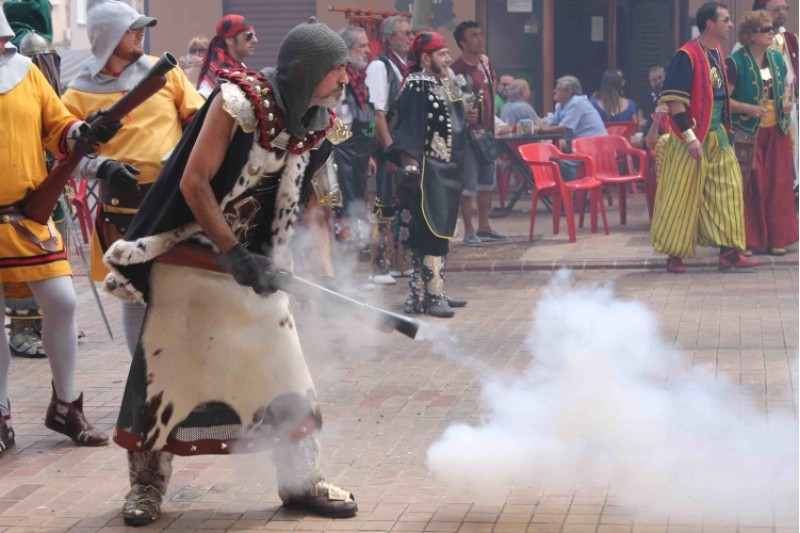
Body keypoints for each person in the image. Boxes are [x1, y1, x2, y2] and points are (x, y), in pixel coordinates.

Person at [102, 17, 358, 525]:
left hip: (257, 266)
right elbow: (194, 184)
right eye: (337, 70)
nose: (345, 79)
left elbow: (310, 209)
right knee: (164, 377)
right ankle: (146, 487)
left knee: (287, 371)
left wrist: (318, 274)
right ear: (304, 71)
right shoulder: (237, 101)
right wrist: (231, 252)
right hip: (188, 256)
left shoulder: (320, 124)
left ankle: (301, 481)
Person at [0, 7, 121, 455]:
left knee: (62, 301)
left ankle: (66, 406)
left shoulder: (26, 74)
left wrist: (82, 133)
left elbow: (60, 126)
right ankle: (0, 416)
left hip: (28, 219)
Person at [62, 0, 204, 358]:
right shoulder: (77, 93)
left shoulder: (164, 73)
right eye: (131, 29)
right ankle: (140, 385)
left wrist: (181, 159)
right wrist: (102, 167)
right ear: (108, 37)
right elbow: (64, 156)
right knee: (132, 293)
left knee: (184, 287)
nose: (141, 32)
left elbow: (201, 123)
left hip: (173, 199)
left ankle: (181, 377)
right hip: (120, 206)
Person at [650, 2, 759, 273]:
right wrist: (690, 139)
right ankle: (675, 255)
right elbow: (675, 103)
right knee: (681, 195)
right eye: (725, 20)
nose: (730, 24)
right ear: (710, 24)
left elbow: (719, 97)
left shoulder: (717, 51)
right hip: (690, 137)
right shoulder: (686, 55)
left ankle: (729, 252)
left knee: (730, 189)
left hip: (717, 135)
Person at [387, 32, 468, 318]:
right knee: (429, 230)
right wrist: (410, 165)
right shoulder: (417, 84)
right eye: (442, 54)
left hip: (449, 169)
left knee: (441, 229)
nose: (448, 59)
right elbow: (408, 127)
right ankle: (431, 295)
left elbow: (462, 113)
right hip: (429, 169)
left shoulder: (443, 81)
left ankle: (436, 290)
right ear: (425, 58)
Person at [2, 0, 62, 359]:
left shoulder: (28, 59)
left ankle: (40, 321)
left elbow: (52, 101)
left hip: (42, 160)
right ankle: (25, 325)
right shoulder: (32, 46)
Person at [727, 10, 798, 256]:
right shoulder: (735, 61)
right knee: (750, 185)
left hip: (776, 129)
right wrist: (747, 108)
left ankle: (777, 237)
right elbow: (724, 99)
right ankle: (748, 239)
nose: (772, 33)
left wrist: (786, 103)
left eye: (771, 29)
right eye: (766, 30)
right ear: (751, 35)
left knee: (778, 184)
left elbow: (785, 88)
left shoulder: (776, 59)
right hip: (748, 132)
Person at [364, 15, 413, 284]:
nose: (409, 37)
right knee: (381, 207)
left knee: (402, 207)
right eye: (405, 33)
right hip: (388, 149)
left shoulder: (407, 67)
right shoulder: (379, 67)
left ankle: (399, 260)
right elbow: (377, 113)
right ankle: (378, 265)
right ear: (390, 37)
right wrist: (389, 150)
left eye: (410, 32)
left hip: (404, 148)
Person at [451, 20, 506, 247]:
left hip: (487, 132)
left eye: (481, 34)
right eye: (474, 35)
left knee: (487, 180)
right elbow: (454, 102)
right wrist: (465, 116)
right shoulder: (456, 69)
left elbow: (491, 88)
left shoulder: (485, 62)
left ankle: (485, 226)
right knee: (468, 184)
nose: (480, 39)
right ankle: (469, 229)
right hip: (467, 136)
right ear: (463, 43)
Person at [332, 25, 376, 258]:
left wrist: (368, 154)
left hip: (359, 153)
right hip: (341, 152)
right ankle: (345, 257)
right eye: (363, 46)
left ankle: (355, 252)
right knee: (346, 207)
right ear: (348, 50)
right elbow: (331, 119)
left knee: (358, 203)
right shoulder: (338, 78)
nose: (368, 50)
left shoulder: (359, 79)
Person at [537, 75, 607, 151]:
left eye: (558, 89)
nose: (554, 91)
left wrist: (540, 130)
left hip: (596, 149)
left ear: (568, 93)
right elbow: (551, 124)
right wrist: (533, 128)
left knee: (552, 157)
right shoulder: (560, 105)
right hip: (581, 147)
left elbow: (563, 129)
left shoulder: (577, 103)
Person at [196, 14, 257, 98]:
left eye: (254, 35)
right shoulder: (216, 73)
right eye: (248, 35)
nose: (255, 40)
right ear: (229, 40)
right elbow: (203, 102)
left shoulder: (241, 67)